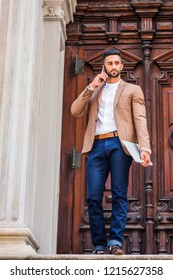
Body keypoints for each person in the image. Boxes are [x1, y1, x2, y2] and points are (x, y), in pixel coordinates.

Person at [71, 48, 151, 255]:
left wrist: (145, 148)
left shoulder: (133, 90)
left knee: (118, 194)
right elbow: (75, 110)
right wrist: (91, 86)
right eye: (109, 63)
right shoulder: (95, 89)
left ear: (121, 66)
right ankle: (99, 244)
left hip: (119, 145)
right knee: (94, 196)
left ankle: (115, 242)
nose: (113, 66)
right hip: (96, 145)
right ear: (104, 66)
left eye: (117, 63)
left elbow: (140, 120)